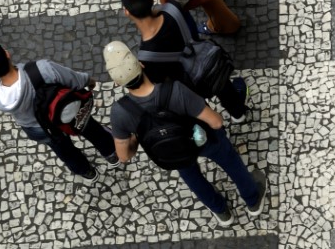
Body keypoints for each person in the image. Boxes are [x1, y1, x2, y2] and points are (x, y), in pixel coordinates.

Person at [103, 40, 267, 226]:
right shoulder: (176, 90)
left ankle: (221, 212)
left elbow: (124, 155)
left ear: (117, 83)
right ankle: (253, 200)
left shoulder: (120, 112)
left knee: (191, 175)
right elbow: (216, 121)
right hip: (204, 139)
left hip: (173, 150)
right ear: (141, 65)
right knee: (229, 159)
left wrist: (136, 136)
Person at [0, 37, 119, 184]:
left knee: (63, 149)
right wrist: (89, 80)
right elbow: (73, 79)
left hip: (39, 128)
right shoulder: (41, 69)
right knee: (91, 128)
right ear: (7, 53)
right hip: (66, 113)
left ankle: (86, 171)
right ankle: (111, 153)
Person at [119, 0, 249, 123]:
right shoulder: (173, 9)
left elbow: (163, 83)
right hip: (208, 61)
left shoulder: (147, 57)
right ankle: (238, 113)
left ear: (127, 11)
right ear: (151, 0)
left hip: (191, 87)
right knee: (223, 86)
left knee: (198, 108)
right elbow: (192, 32)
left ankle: (210, 124)